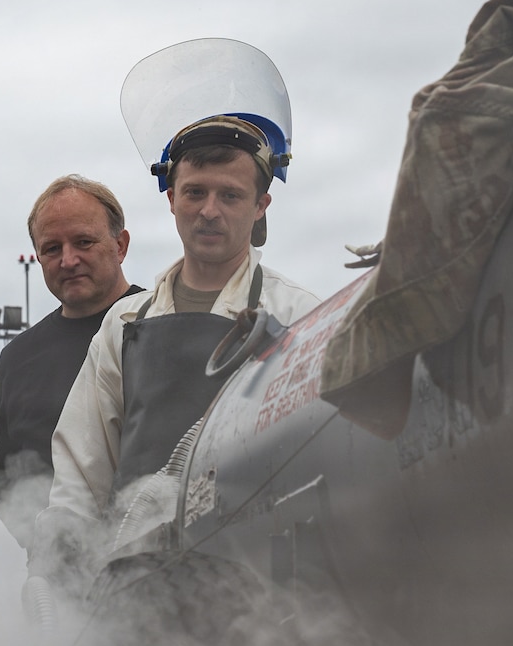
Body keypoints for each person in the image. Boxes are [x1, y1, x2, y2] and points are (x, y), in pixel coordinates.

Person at [36, 115, 318, 583]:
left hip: (263, 596)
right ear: (171, 199)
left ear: (261, 205)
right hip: (134, 595)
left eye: (230, 195)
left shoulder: (297, 317)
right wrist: (54, 572)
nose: (210, 210)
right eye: (195, 192)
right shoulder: (125, 324)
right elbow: (81, 475)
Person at [0, 176, 141, 544]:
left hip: (154, 574)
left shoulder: (161, 323)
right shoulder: (17, 359)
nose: (68, 260)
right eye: (52, 248)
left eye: (84, 242)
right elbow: (8, 483)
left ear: (120, 245)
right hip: (58, 585)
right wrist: (55, 554)